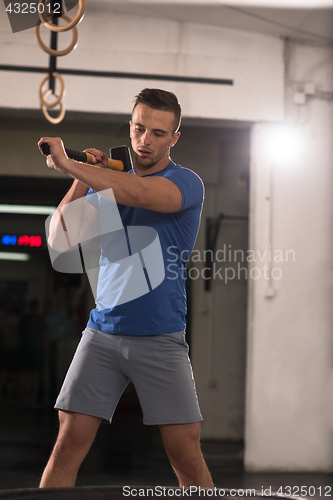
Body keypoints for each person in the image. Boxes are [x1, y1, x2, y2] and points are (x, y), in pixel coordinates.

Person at [38, 88, 213, 488]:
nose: (144, 140)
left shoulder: (185, 183)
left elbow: (138, 193)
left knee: (185, 455)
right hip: (102, 334)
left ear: (174, 138)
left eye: (157, 132)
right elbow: (61, 239)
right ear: (130, 127)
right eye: (138, 128)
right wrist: (82, 176)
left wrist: (69, 163)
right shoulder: (106, 185)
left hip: (160, 337)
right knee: (65, 446)